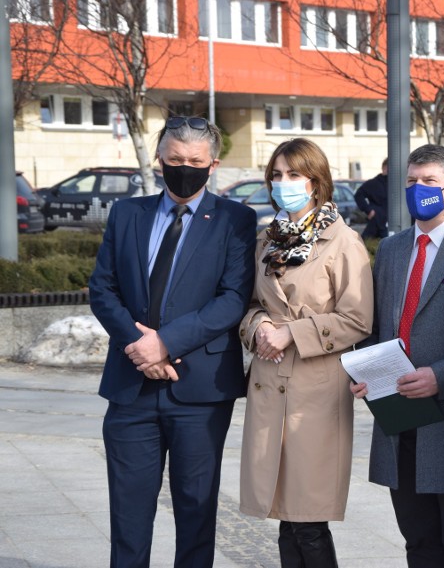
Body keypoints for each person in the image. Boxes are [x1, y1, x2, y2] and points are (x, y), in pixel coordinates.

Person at [89, 115, 257, 567]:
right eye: (175, 159)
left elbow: (232, 299)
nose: (185, 167)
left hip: (200, 392)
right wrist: (139, 347)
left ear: (213, 163)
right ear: (160, 160)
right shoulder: (128, 214)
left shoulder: (236, 220)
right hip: (131, 389)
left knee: (196, 514)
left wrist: (165, 344)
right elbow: (102, 289)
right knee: (127, 517)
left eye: (195, 161)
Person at [238, 138, 374, 567]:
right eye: (276, 176)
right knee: (282, 513)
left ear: (316, 182)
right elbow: (253, 306)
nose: (284, 184)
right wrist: (259, 326)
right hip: (269, 384)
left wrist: (292, 333)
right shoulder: (267, 239)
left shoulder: (342, 241)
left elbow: (357, 319)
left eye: (294, 175)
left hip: (316, 391)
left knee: (308, 519)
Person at [351, 144, 444, 568]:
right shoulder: (391, 249)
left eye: (429, 181)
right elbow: (376, 326)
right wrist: (363, 368)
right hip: (397, 412)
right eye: (411, 181)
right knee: (417, 541)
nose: (418, 189)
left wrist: (442, 375)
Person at [354, 157, 389, 238]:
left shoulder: (398, 183)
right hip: (377, 221)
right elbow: (358, 195)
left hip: (392, 222)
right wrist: (368, 210)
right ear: (384, 168)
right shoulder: (373, 183)